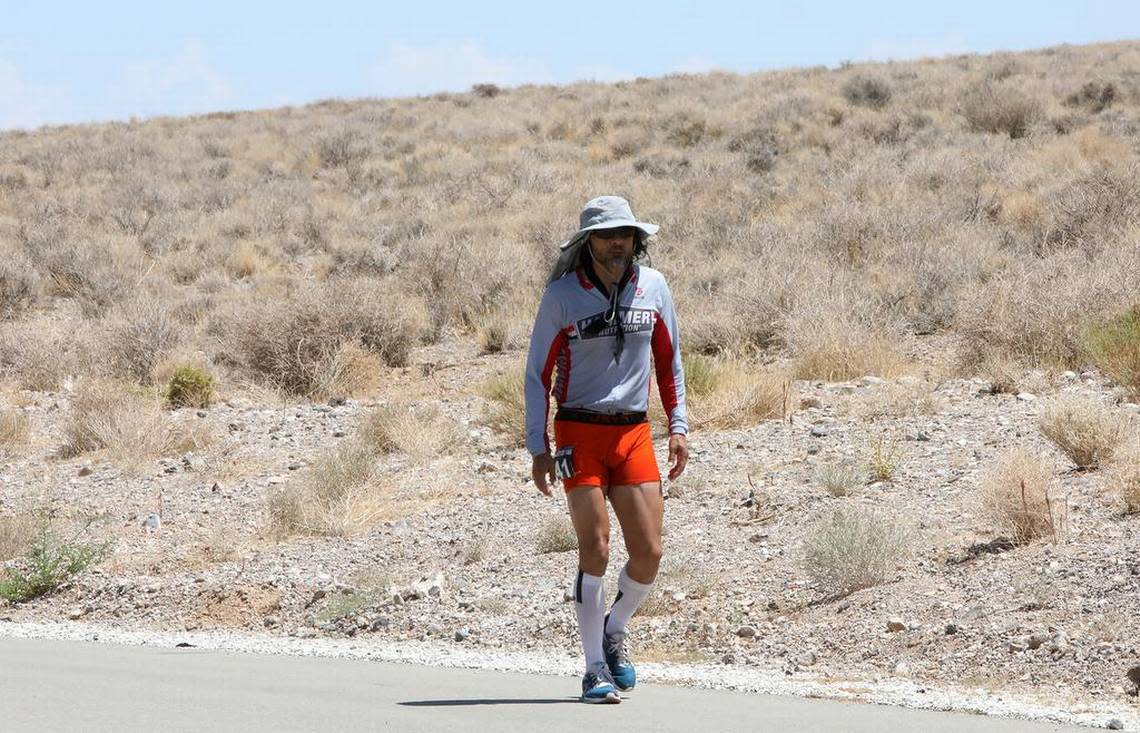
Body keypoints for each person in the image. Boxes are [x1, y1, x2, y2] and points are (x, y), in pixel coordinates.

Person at [524, 195, 689, 704]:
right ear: (588, 243)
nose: (618, 243)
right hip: (579, 432)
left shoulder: (655, 287)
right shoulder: (562, 296)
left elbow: (670, 362)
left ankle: (614, 627)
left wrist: (678, 425)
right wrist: (539, 445)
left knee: (649, 552)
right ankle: (594, 666)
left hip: (635, 432)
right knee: (594, 547)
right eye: (607, 235)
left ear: (637, 239)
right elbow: (537, 374)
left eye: (626, 234)